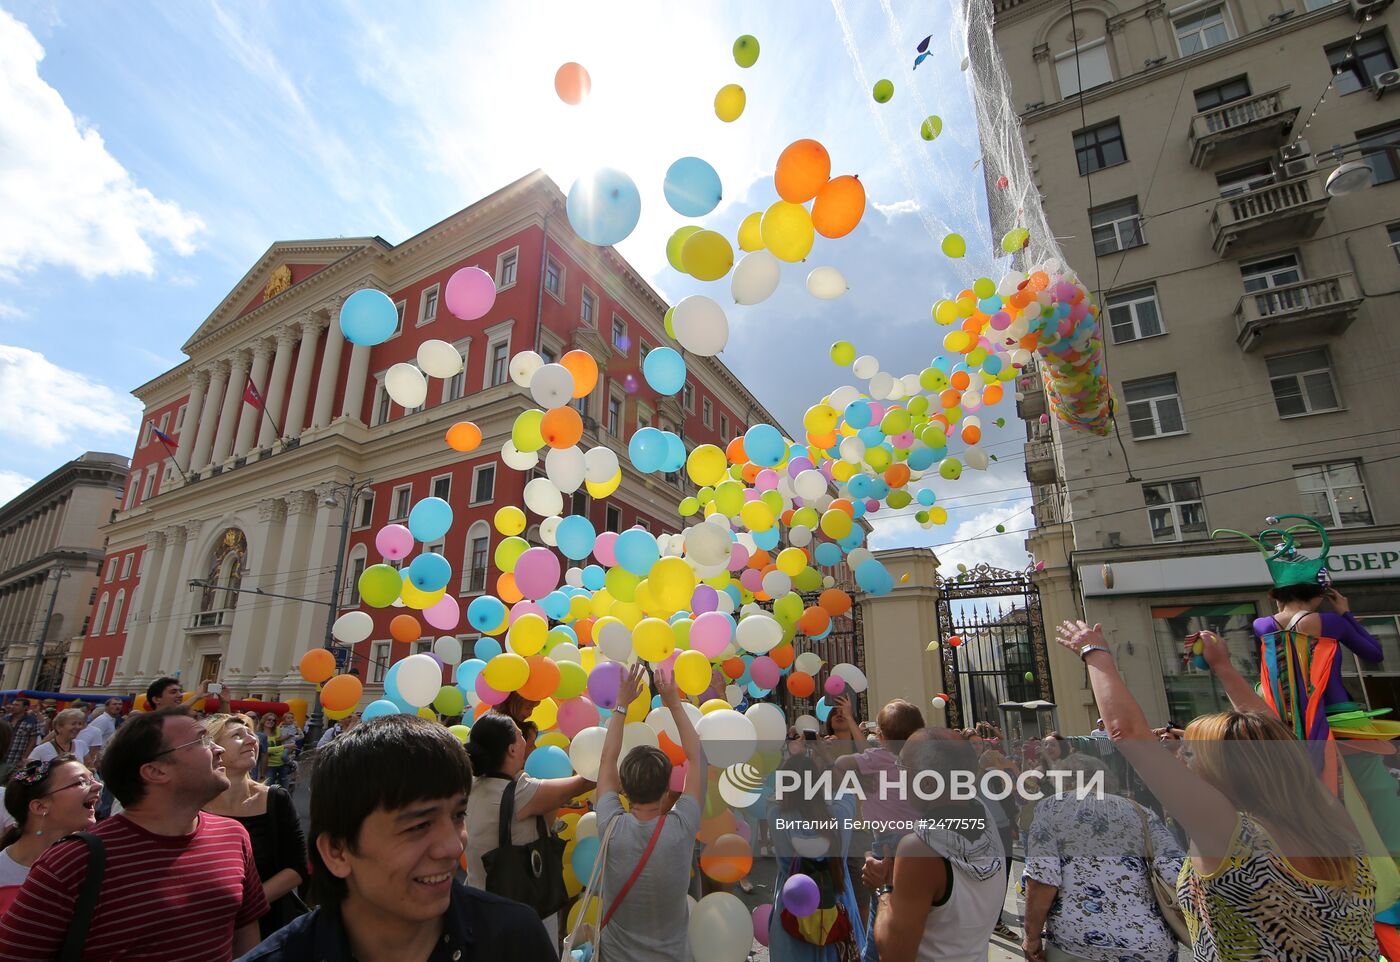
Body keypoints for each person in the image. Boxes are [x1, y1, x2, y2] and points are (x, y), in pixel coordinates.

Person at [1057, 619, 1377, 961]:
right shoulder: (1328, 816)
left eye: (1190, 752)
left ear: (1225, 769)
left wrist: (1094, 652)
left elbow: (1126, 733)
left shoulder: (1234, 838)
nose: (1178, 756)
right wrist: (1223, 668)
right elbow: (1275, 743)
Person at [236, 714, 554, 962]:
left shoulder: (515, 937)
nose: (453, 846)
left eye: (458, 815)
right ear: (337, 851)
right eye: (417, 826)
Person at [0, 706, 267, 960]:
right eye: (202, 741)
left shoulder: (233, 836)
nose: (219, 749)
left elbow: (244, 937)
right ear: (155, 771)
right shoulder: (70, 862)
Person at [582, 665, 703, 960]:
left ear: (623, 788)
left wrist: (621, 705)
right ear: (667, 790)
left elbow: (606, 758)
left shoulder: (610, 825)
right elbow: (698, 758)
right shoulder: (682, 826)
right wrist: (673, 702)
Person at [1021, 754, 1184, 962]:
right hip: (1151, 943)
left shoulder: (1052, 807)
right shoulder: (1141, 812)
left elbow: (1042, 878)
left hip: (1079, 943)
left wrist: (1031, 936)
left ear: (1067, 781)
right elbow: (1175, 872)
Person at [862, 729, 1005, 962]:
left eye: (902, 768)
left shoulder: (918, 850)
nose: (898, 777)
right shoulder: (983, 812)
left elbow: (893, 954)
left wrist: (883, 889)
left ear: (927, 784)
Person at [463, 712, 590, 944]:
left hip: (479, 907)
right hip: (520, 915)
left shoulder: (471, 786)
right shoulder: (521, 792)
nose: (527, 741)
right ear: (512, 749)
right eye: (521, 735)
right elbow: (583, 782)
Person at [831, 695, 924, 959]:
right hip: (918, 839)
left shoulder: (877, 758)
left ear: (881, 736)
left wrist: (858, 779)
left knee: (880, 910)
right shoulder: (921, 758)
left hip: (886, 843)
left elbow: (843, 763)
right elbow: (865, 754)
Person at [205, 714, 307, 939]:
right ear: (215, 748)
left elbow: (296, 867)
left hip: (270, 926)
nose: (252, 740)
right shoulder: (193, 803)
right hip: (206, 926)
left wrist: (245, 906)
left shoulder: (276, 799)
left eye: (251, 734)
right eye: (237, 736)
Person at [0, 756, 101, 914]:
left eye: (92, 778)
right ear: (39, 807)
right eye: (81, 782)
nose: (98, 785)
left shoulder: (95, 861)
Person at [27, 708, 94, 767]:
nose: (78, 727)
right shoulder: (41, 749)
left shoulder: (81, 745)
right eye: (73, 724)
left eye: (80, 724)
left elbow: (90, 768)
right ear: (59, 727)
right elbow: (24, 775)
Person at [1, 701, 39, 778]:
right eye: (13, 704)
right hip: (2, 755)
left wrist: (24, 758)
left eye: (17, 705)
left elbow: (33, 740)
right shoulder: (5, 718)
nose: (13, 707)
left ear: (25, 708)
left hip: (16, 758)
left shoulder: (31, 721)